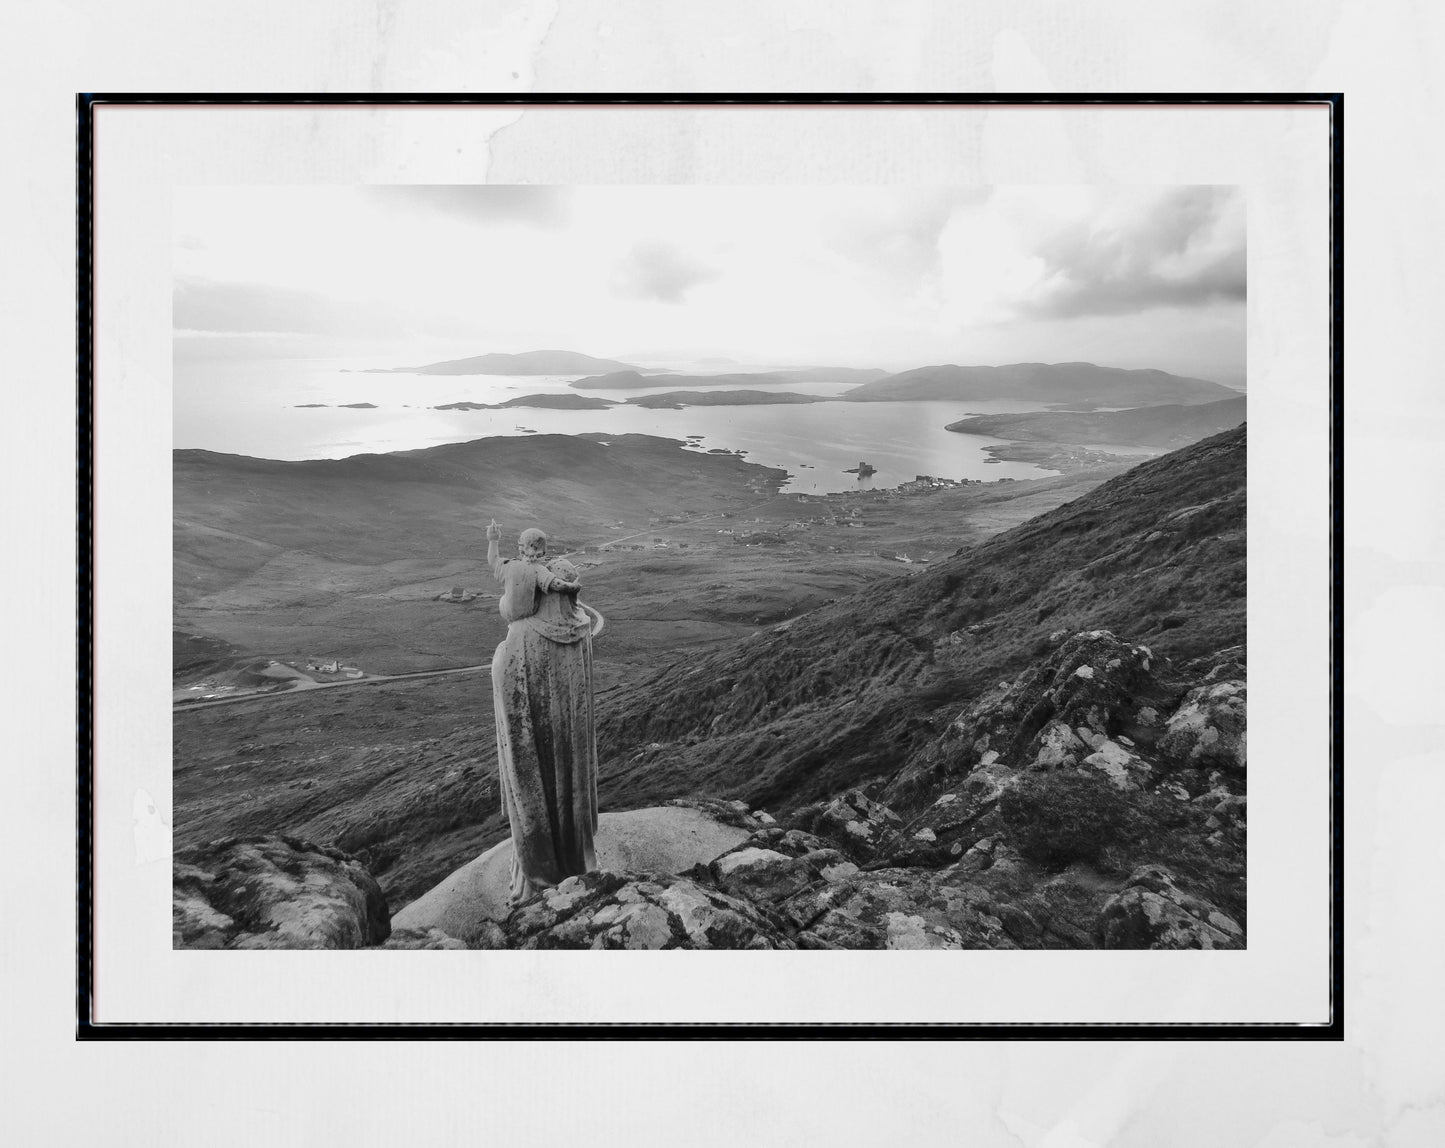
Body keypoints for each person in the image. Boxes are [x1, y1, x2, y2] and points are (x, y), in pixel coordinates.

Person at [485, 519, 604, 904]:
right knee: (567, 776)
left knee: (536, 778)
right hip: (571, 753)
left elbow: (513, 708)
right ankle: (577, 856)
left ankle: (537, 870)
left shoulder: (521, 635)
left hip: (537, 750)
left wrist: (499, 659)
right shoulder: (582, 629)